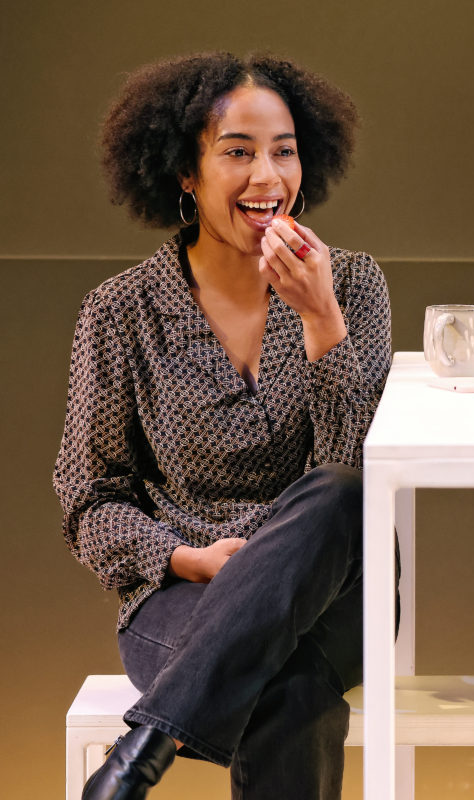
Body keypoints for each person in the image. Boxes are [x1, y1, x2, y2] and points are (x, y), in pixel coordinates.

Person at [53, 52, 392, 800]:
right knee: (289, 692)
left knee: (340, 491)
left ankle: (140, 752)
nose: (267, 177)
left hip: (339, 594)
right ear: (185, 171)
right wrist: (187, 558)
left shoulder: (351, 284)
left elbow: (364, 472)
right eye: (238, 152)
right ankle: (140, 760)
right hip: (184, 592)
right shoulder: (121, 312)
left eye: (284, 151)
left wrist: (321, 319)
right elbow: (88, 498)